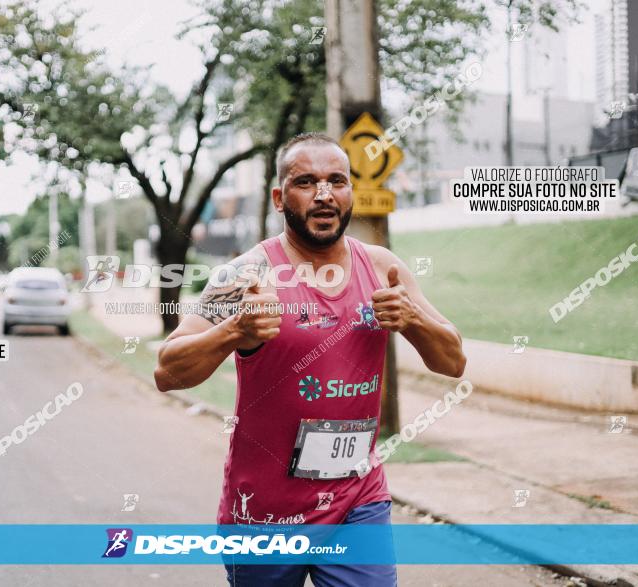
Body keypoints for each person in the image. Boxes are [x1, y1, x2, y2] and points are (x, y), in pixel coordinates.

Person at [154, 133, 466, 586]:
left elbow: (453, 360)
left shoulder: (381, 268)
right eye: (306, 182)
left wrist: (412, 318)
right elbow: (167, 370)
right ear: (280, 198)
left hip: (357, 500)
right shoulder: (247, 274)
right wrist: (232, 331)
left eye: (337, 180)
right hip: (263, 515)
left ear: (350, 192)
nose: (324, 195)